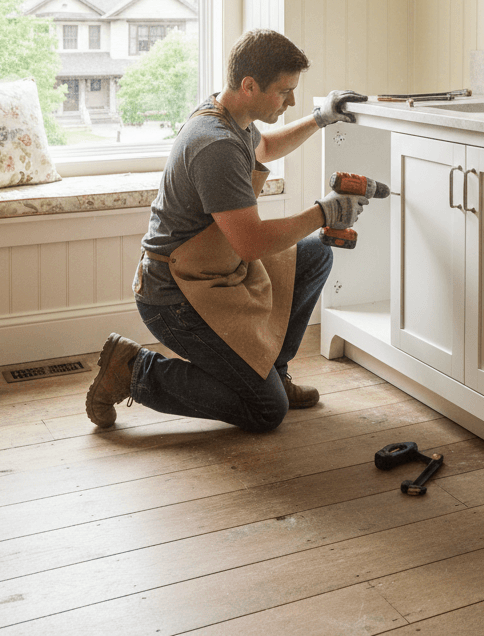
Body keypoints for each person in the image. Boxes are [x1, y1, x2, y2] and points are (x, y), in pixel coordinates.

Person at [85, 28, 369, 433]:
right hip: (175, 295)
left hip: (216, 271)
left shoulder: (232, 116)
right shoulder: (214, 143)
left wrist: (321, 117)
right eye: (284, 92)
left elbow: (264, 148)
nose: (290, 101)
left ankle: (273, 371)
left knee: (315, 254)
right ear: (249, 85)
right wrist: (325, 213)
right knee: (265, 410)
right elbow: (251, 243)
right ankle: (132, 370)